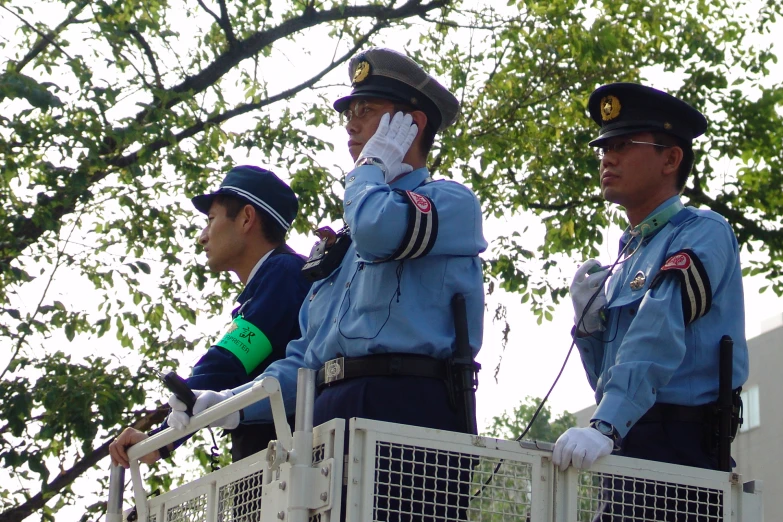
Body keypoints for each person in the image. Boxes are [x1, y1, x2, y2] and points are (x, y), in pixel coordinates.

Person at [170, 47, 487, 520]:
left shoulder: (448, 201)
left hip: (406, 414)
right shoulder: (346, 242)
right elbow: (305, 359)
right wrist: (230, 403)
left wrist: (368, 172)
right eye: (349, 113)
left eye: (368, 112)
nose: (352, 125)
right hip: (328, 419)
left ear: (412, 126)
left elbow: (382, 229)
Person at [552, 83, 749, 519]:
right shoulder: (625, 257)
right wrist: (589, 329)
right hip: (624, 446)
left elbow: (660, 324)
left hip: (681, 453)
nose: (608, 157)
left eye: (624, 145)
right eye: (604, 147)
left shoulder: (702, 232)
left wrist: (604, 424)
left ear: (671, 158)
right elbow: (608, 374)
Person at [109, 165, 310, 469]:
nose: (202, 237)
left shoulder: (283, 273)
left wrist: (163, 438)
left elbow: (230, 358)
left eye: (210, 220)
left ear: (245, 218)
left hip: (286, 471)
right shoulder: (275, 279)